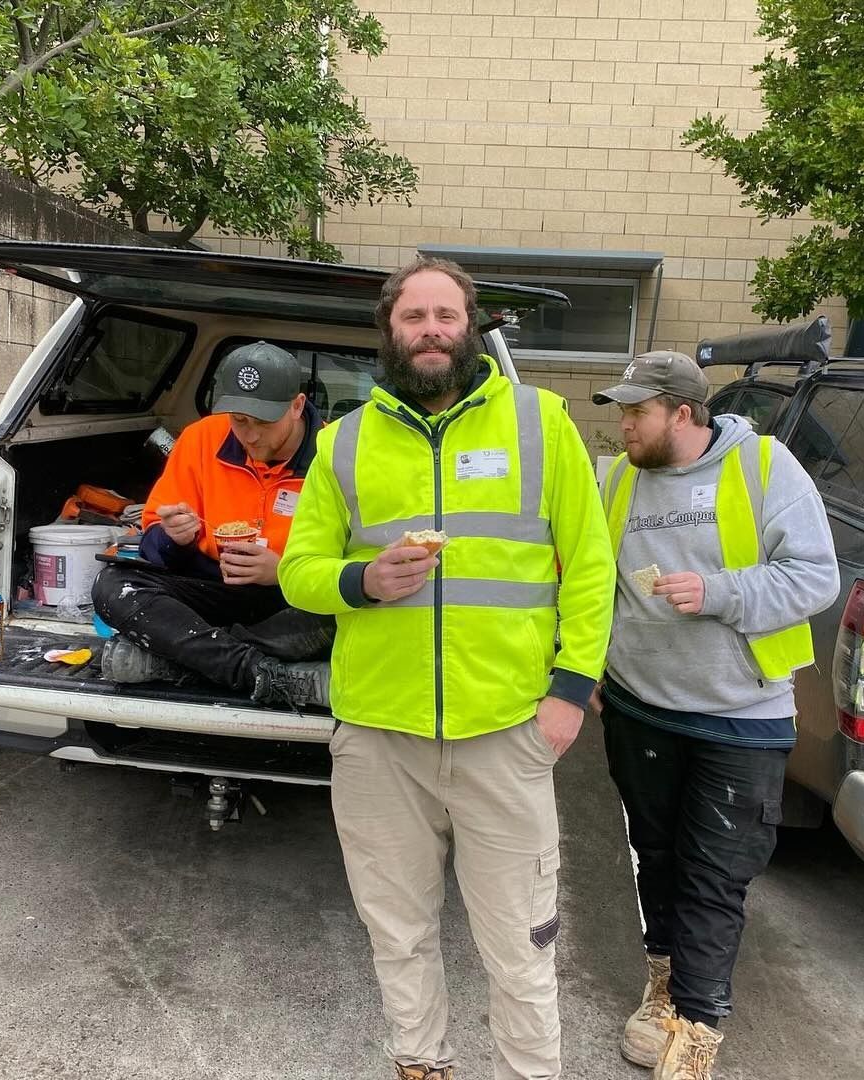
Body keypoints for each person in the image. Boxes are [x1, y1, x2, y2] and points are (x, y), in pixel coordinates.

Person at [278, 257, 616, 1080]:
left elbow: (593, 565)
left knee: (520, 944)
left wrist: (570, 692)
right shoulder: (343, 441)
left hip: (505, 730)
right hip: (378, 736)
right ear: (389, 333)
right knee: (397, 930)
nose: (431, 330)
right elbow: (299, 570)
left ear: (473, 328)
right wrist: (362, 580)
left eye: (446, 315)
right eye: (413, 317)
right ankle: (420, 1064)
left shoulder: (541, 422)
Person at [591, 351, 840, 1079]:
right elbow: (592, 582)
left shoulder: (763, 467)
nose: (625, 424)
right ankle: (663, 987)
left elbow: (815, 577)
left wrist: (721, 591)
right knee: (656, 855)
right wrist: (589, 668)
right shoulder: (617, 482)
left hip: (742, 717)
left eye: (637, 411)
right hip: (639, 709)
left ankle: (694, 1029)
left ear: (684, 414)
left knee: (714, 873)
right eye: (622, 410)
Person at [92, 340, 334, 707]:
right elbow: (155, 548)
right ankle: (264, 674)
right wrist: (174, 537)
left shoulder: (335, 452)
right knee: (113, 585)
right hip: (210, 587)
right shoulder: (200, 439)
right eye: (239, 420)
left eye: (264, 422)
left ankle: (180, 659)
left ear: (297, 405)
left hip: (290, 598)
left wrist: (285, 571)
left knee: (344, 609)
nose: (250, 435)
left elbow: (352, 560)